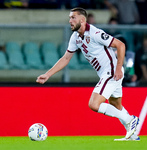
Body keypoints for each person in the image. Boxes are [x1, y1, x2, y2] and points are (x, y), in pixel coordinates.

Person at [36, 7, 139, 141]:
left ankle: (130, 119)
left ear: (82, 19)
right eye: (69, 18)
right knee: (116, 105)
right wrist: (48, 74)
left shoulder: (95, 33)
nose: (70, 21)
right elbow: (66, 58)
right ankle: (133, 135)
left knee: (94, 104)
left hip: (111, 71)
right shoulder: (75, 37)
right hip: (106, 73)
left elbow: (120, 45)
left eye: (73, 17)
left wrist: (119, 67)